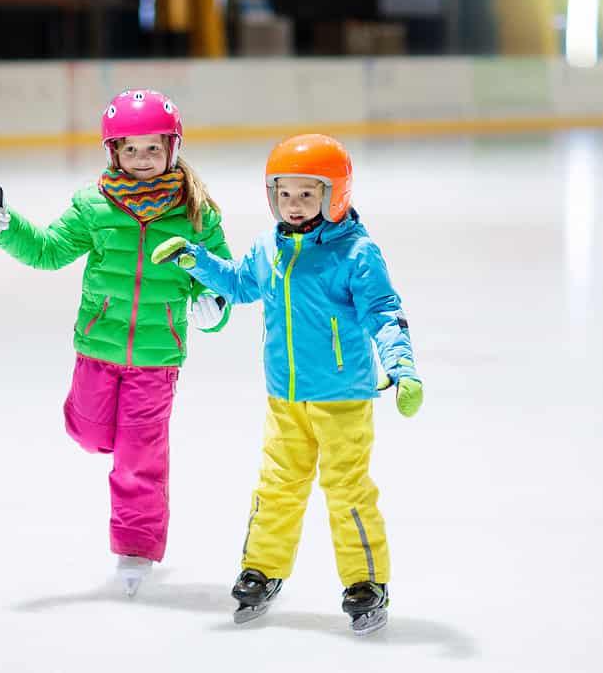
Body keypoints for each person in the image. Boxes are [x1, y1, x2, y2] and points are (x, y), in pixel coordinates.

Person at [150, 133, 423, 634]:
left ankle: (366, 582)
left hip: (343, 400)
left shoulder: (357, 254)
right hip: (285, 399)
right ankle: (262, 569)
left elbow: (384, 313)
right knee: (277, 488)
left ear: (334, 194)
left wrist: (402, 367)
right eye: (284, 193)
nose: (293, 205)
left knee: (347, 491)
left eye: (306, 193)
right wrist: (195, 259)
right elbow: (238, 284)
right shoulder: (267, 247)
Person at [0, 89, 232, 596]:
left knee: (140, 456)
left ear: (173, 150)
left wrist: (216, 308)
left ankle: (135, 549)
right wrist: (9, 230)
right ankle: (101, 434)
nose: (142, 159)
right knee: (91, 434)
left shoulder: (196, 213)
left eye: (153, 149)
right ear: (113, 152)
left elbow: (220, 277)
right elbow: (49, 251)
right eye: (131, 149)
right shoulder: (94, 207)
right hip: (98, 348)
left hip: (157, 360)